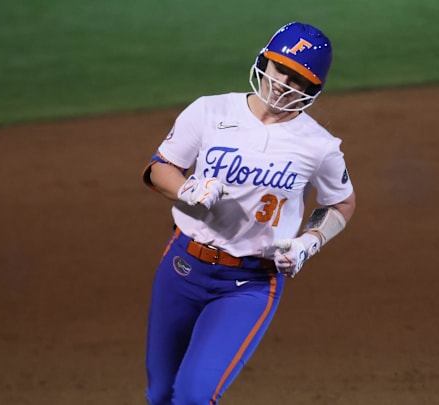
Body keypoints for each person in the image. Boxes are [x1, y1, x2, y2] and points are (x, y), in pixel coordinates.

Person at [140, 21, 356, 404]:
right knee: (161, 393)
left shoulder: (319, 146)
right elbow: (160, 167)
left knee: (192, 396)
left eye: (298, 79)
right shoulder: (209, 110)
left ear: (312, 90)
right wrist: (188, 188)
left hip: (250, 284)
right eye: (279, 69)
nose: (284, 83)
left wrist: (310, 240)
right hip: (182, 267)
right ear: (263, 63)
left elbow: (341, 201)